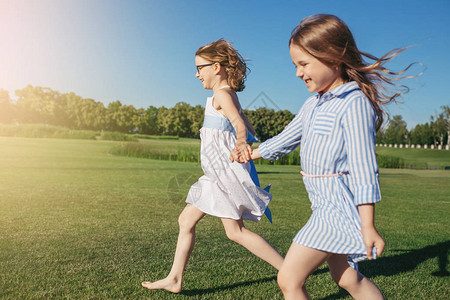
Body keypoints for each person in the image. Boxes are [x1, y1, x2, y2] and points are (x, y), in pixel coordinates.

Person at [231, 14, 417, 300]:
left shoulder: (354, 103)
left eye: (303, 64)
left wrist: (368, 226)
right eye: (295, 65)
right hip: (322, 204)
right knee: (347, 278)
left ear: (334, 57)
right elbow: (286, 139)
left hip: (337, 209)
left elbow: (364, 169)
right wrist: (250, 153)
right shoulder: (313, 103)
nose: (297, 73)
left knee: (289, 279)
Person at [142, 39, 283, 293]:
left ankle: (289, 270)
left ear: (216, 67)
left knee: (236, 232)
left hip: (223, 176)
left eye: (200, 68)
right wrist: (247, 136)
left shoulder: (221, 94)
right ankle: (175, 278)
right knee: (186, 220)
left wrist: (241, 141)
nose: (197, 74)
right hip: (214, 175)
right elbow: (246, 124)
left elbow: (240, 125)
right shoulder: (226, 95)